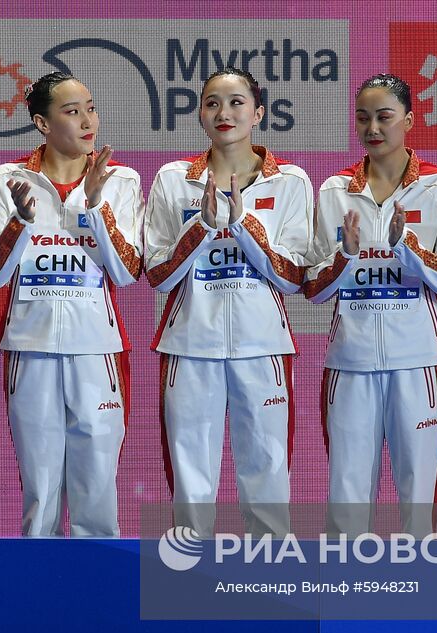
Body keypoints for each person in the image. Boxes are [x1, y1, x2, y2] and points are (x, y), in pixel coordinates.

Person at [145, 66, 312, 537]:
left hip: (262, 347)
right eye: (213, 102)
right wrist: (203, 225)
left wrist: (242, 225)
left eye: (237, 102)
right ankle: (191, 587)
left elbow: (295, 275)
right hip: (189, 345)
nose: (225, 112)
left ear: (258, 113)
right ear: (199, 113)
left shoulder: (291, 181)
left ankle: (270, 587)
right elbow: (157, 274)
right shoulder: (174, 179)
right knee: (191, 476)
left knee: (267, 468)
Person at [0, 72, 143, 537]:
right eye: (72, 111)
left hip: (97, 350)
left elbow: (128, 271)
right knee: (40, 488)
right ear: (42, 123)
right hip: (29, 348)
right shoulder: (9, 179)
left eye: (90, 107)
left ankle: (97, 599)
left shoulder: (120, 180)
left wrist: (93, 206)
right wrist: (22, 223)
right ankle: (39, 598)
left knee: (97, 487)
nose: (88, 120)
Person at [304, 75, 437, 538]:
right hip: (349, 361)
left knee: (418, 491)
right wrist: (347, 255)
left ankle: (419, 596)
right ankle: (348, 596)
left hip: (419, 360)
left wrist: (407, 247)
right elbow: (313, 289)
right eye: (363, 117)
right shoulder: (335, 190)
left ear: (409, 120)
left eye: (384, 116)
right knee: (347, 489)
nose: (372, 127)